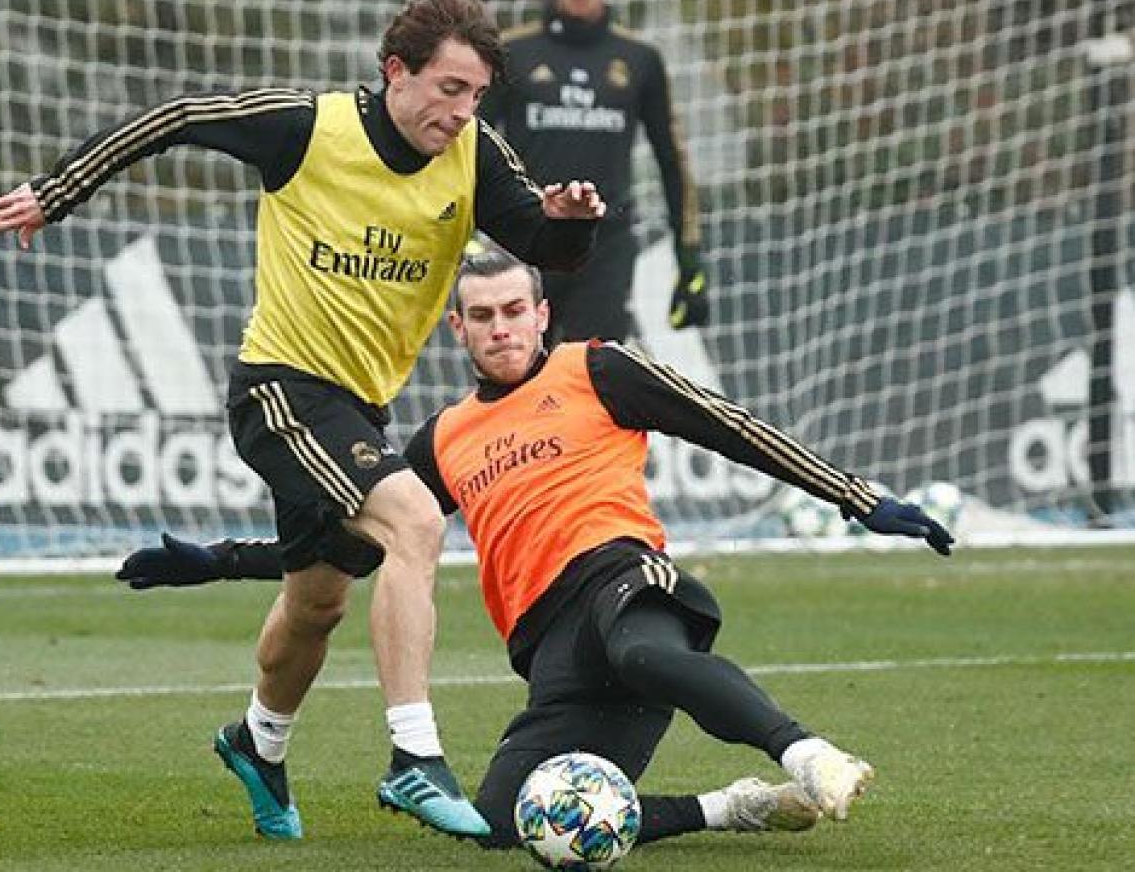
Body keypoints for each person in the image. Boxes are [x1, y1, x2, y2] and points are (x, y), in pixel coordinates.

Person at [0, 0, 605, 841]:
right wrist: (61, 190)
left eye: (477, 95)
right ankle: (414, 758)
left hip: (357, 410)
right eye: (450, 89)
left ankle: (257, 741)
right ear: (396, 73)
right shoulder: (309, 127)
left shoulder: (476, 156)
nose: (463, 112)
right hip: (279, 389)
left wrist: (570, 225)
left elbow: (548, 249)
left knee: (317, 602)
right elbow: (182, 116)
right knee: (415, 520)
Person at [116, 246, 955, 849]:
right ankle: (731, 808)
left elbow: (729, 427)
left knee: (641, 650)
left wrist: (858, 497)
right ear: (457, 329)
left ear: (541, 314)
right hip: (550, 647)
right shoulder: (441, 440)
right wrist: (217, 562)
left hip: (625, 578)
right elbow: (352, 554)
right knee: (500, 821)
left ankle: (809, 754)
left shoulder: (598, 370)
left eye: (516, 311)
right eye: (482, 316)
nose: (502, 328)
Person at [481, 0, 706, 344]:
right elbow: (471, 146)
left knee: (594, 375)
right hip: (528, 239)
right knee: (521, 378)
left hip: (607, 245)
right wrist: (468, 234)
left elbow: (671, 160)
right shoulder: (512, 53)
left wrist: (688, 255)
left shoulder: (640, 59)